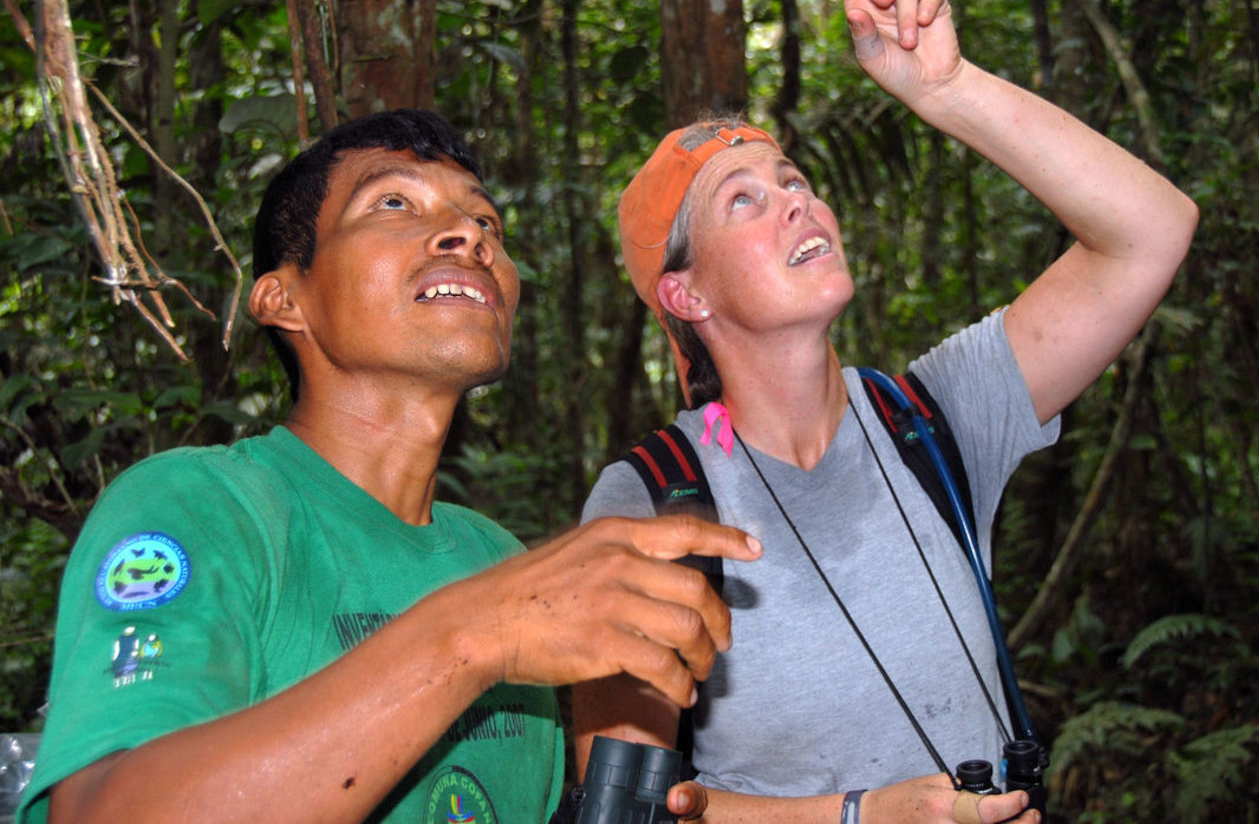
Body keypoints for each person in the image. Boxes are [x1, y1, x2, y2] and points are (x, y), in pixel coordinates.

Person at [572, 0, 1198, 824]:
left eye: (794, 181)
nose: (795, 203)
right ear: (687, 296)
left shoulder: (932, 420)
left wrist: (947, 89)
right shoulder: (655, 499)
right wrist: (863, 816)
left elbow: (1152, 232)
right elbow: (620, 808)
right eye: (743, 200)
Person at [16, 109, 762, 823]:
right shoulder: (197, 505)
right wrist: (474, 634)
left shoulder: (492, 556)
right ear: (284, 297)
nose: (467, 237)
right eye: (394, 203)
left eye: (487, 223)